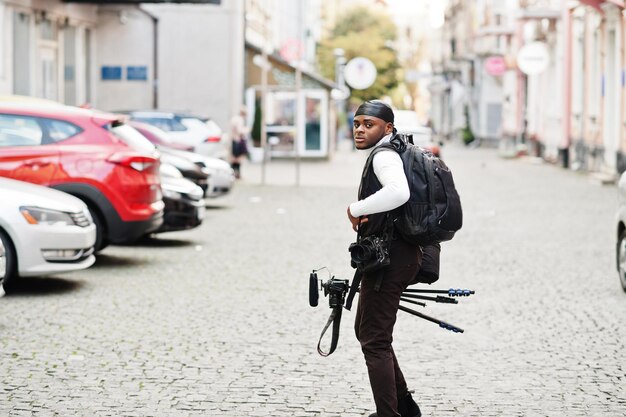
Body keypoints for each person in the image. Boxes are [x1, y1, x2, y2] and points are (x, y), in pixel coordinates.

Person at [347, 100, 423, 417]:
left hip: (390, 257)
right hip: (398, 254)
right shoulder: (397, 150)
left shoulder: (385, 155)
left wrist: (356, 209)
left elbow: (398, 192)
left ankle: (391, 414)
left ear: (387, 128)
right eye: (357, 123)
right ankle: (405, 407)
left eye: (369, 124)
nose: (361, 130)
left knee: (374, 339)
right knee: (368, 332)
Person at [229, 106, 250, 179]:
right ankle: (236, 173)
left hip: (234, 140)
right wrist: (246, 130)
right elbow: (239, 130)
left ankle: (234, 173)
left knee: (235, 157)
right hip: (238, 140)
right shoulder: (239, 120)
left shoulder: (234, 118)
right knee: (237, 158)